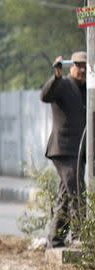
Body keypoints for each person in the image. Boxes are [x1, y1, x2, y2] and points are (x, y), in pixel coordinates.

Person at [42, 51, 87, 248]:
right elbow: (45, 95)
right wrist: (56, 76)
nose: (82, 70)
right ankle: (80, 236)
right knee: (77, 190)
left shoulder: (88, 89)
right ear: (72, 67)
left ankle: (55, 238)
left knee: (65, 195)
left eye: (86, 66)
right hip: (62, 149)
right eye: (79, 65)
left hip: (79, 151)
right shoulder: (62, 84)